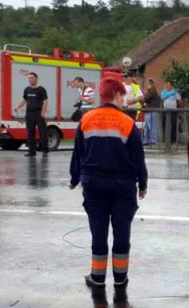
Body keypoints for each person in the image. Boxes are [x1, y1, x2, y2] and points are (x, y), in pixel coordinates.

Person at [69, 78, 148, 288]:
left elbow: (78, 154)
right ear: (117, 95)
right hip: (123, 187)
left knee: (98, 231)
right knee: (122, 232)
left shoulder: (86, 120)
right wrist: (143, 184)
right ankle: (120, 278)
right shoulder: (127, 123)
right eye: (123, 96)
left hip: (94, 185)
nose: (125, 100)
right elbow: (138, 157)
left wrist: (74, 178)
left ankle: (98, 277)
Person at [15, 73, 49, 157]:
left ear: (36, 78)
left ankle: (45, 149)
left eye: (32, 78)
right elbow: (23, 100)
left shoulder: (41, 89)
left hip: (38, 113)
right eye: (29, 78)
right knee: (30, 133)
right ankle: (31, 151)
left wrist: (43, 113)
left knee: (42, 132)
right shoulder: (27, 89)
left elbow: (45, 101)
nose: (30, 80)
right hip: (29, 113)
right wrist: (17, 107)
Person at [134, 78, 161, 145]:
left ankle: (152, 141)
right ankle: (147, 140)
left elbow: (146, 98)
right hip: (150, 110)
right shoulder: (151, 90)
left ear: (149, 84)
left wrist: (139, 99)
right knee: (148, 126)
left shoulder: (152, 91)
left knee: (151, 126)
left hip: (151, 110)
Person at [160, 81, 182, 145]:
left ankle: (173, 140)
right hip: (165, 111)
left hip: (173, 111)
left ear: (171, 86)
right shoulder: (163, 92)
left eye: (168, 85)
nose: (166, 86)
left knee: (173, 125)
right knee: (165, 125)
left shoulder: (175, 92)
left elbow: (180, 101)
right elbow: (162, 98)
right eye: (166, 85)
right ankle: (166, 140)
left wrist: (175, 104)